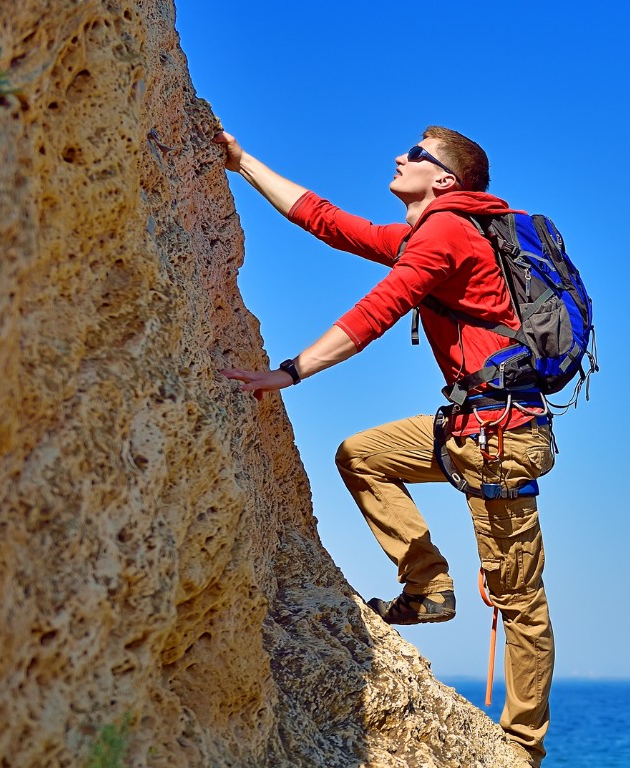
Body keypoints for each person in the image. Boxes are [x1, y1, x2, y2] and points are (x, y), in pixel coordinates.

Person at [215, 126, 557, 766]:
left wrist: (288, 372)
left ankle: (523, 747)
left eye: (417, 156)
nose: (401, 158)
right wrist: (243, 163)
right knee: (361, 454)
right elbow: (329, 223)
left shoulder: (449, 232)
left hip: (500, 438)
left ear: (445, 181)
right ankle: (428, 587)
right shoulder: (434, 232)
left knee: (522, 604)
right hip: (467, 428)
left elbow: (380, 309)